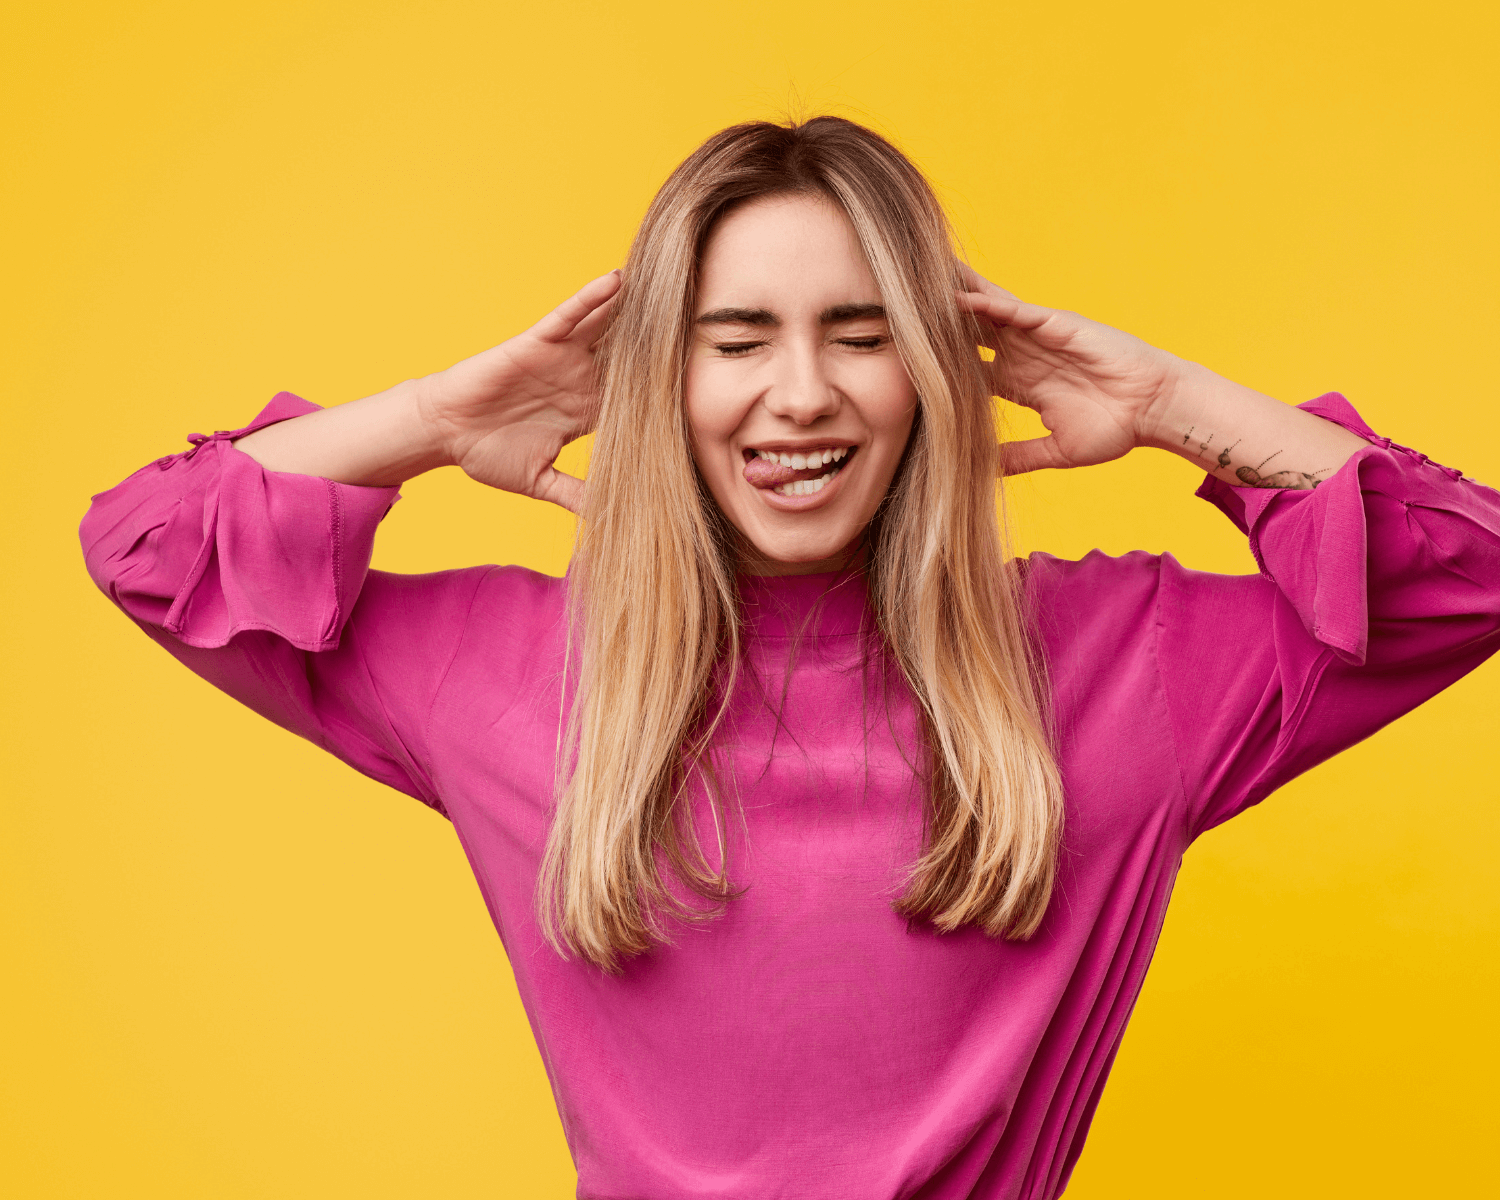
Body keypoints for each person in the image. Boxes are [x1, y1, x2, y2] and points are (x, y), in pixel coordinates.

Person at [80, 117, 1500, 1197]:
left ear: (935, 371)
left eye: (862, 333)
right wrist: (442, 414)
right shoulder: (513, 668)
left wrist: (1175, 401)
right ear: (661, 378)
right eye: (734, 339)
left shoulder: (1120, 664)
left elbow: (1475, 571)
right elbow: (146, 547)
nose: (801, 392)